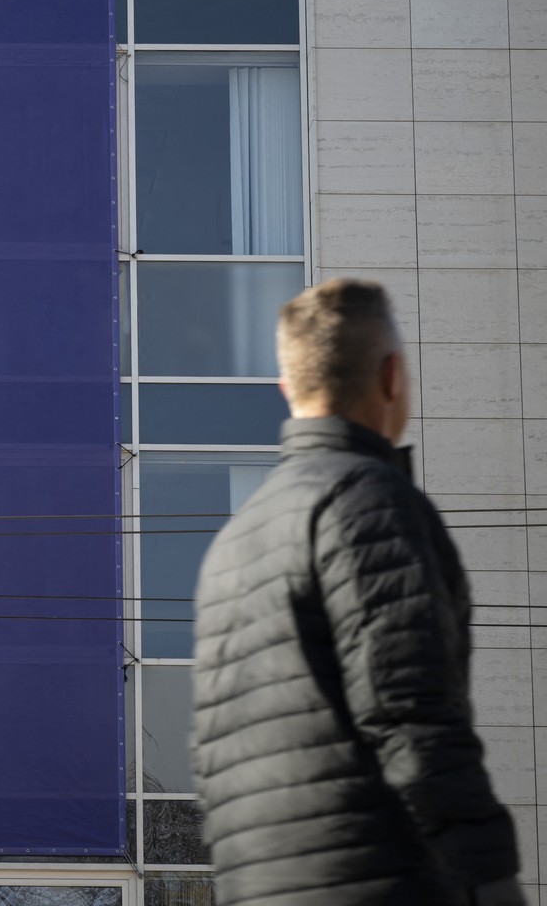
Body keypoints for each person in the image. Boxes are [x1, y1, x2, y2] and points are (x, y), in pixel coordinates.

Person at [190, 279, 522, 906]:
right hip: (381, 882)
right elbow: (411, 713)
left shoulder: (232, 544)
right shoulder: (370, 502)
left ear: (286, 389)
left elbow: (213, 762)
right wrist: (491, 878)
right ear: (392, 376)